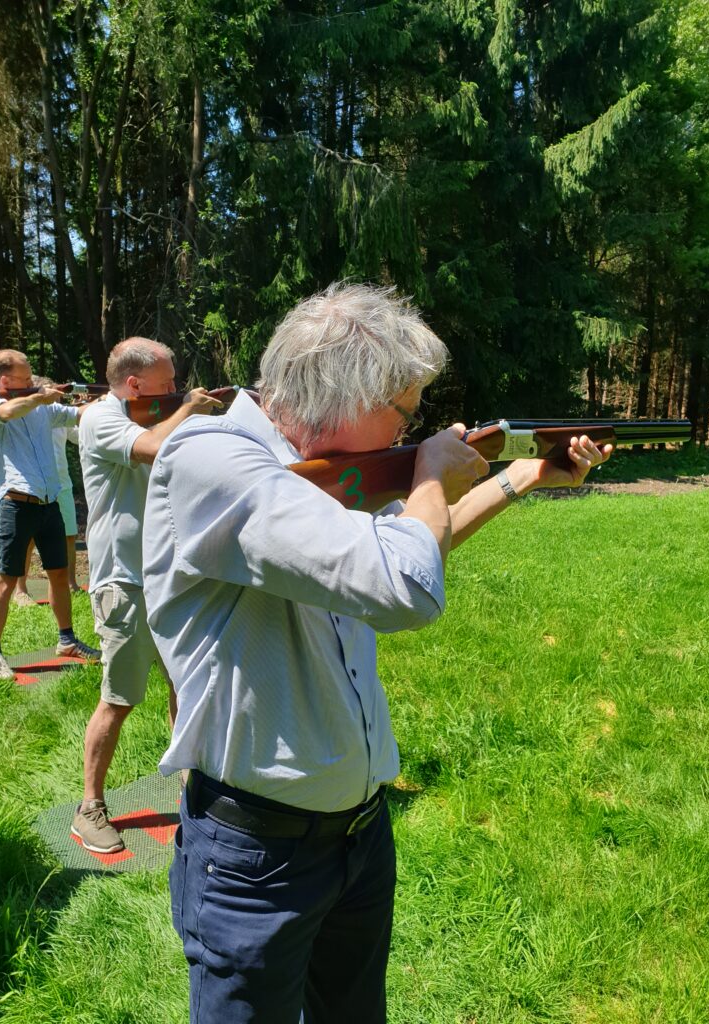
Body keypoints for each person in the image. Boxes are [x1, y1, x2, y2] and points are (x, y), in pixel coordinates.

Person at [141, 283, 611, 1024]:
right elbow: (403, 587)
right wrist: (425, 474)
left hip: (358, 837)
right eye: (404, 411)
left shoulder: (314, 475)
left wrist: (522, 476)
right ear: (343, 393)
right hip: (254, 855)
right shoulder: (211, 460)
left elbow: (408, 545)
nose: (410, 426)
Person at [71, 337, 223, 854]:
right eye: (167, 380)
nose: (177, 386)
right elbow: (155, 447)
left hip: (166, 577)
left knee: (186, 688)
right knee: (119, 698)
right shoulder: (99, 418)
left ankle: (192, 788)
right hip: (124, 581)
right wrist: (186, 410)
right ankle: (89, 807)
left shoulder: (150, 415)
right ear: (134, 384)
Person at [0, 350, 100, 680]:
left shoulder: (40, 406)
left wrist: (113, 399)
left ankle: (67, 641)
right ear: (5, 380)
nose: (32, 382)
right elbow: (8, 410)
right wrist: (40, 397)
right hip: (16, 505)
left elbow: (78, 415)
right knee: (5, 581)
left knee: (59, 574)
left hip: (48, 505)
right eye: (26, 378)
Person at [14, 376, 83, 605]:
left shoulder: (59, 413)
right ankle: (20, 590)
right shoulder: (24, 417)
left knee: (69, 536)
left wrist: (80, 408)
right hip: (33, 487)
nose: (53, 395)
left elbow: (78, 436)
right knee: (29, 540)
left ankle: (71, 584)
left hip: (62, 485)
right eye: (49, 391)